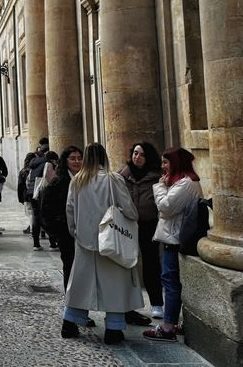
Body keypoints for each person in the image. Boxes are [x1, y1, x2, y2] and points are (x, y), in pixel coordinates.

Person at [62, 142, 143, 345]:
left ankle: (70, 323)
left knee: (79, 283)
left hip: (85, 241)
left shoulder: (77, 181)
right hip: (111, 239)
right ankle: (113, 329)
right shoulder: (112, 179)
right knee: (114, 285)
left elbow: (69, 211)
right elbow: (128, 207)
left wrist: (76, 233)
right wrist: (133, 218)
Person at [143, 147, 203, 342]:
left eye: (166, 162)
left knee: (169, 281)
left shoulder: (186, 184)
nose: (163, 167)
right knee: (171, 281)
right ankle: (173, 322)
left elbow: (165, 207)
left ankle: (168, 326)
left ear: (176, 163)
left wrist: (159, 187)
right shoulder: (183, 183)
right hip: (174, 237)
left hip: (175, 239)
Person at [118, 142, 164, 326]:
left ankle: (156, 303)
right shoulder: (123, 174)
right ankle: (126, 304)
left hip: (148, 224)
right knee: (126, 263)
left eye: (142, 154)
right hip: (127, 225)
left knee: (151, 263)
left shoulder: (156, 176)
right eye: (135, 153)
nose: (137, 157)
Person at [40, 146, 82, 290]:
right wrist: (57, 231)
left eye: (79, 158)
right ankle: (71, 305)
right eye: (73, 158)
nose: (77, 162)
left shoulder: (87, 180)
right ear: (66, 161)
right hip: (66, 233)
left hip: (86, 233)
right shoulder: (58, 182)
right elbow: (45, 208)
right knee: (70, 267)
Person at [17, 152, 36, 234]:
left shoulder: (23, 171)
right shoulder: (36, 170)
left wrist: (20, 198)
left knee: (31, 213)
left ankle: (33, 230)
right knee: (35, 213)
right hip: (35, 194)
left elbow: (20, 186)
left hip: (27, 195)